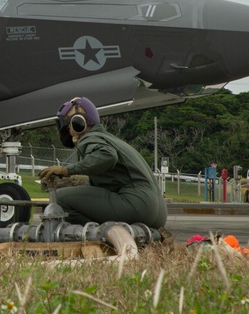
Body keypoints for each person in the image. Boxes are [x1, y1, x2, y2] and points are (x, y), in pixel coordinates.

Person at [38, 96, 167, 229]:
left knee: (59, 199)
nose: (65, 130)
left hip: (137, 204)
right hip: (157, 213)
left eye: (66, 123)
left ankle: (98, 235)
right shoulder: (108, 138)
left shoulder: (89, 138)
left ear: (78, 122)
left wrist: (67, 170)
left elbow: (107, 155)